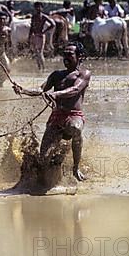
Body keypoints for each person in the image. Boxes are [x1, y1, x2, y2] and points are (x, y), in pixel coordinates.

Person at [12, 42, 91, 184]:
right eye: (64, 54)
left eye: (70, 55)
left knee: (75, 128)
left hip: (74, 115)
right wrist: (23, 90)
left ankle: (75, 167)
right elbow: (40, 90)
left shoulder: (83, 74)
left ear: (79, 57)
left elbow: (75, 90)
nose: (66, 57)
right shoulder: (56, 75)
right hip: (56, 117)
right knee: (44, 158)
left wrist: (56, 94)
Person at [28, 1, 55, 71]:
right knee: (36, 53)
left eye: (39, 7)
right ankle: (39, 68)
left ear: (42, 8)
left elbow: (53, 24)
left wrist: (44, 31)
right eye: (36, 7)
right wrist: (29, 36)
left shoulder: (44, 17)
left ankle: (43, 68)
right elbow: (31, 27)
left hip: (40, 35)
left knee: (40, 52)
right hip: (35, 36)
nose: (38, 8)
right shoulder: (33, 17)